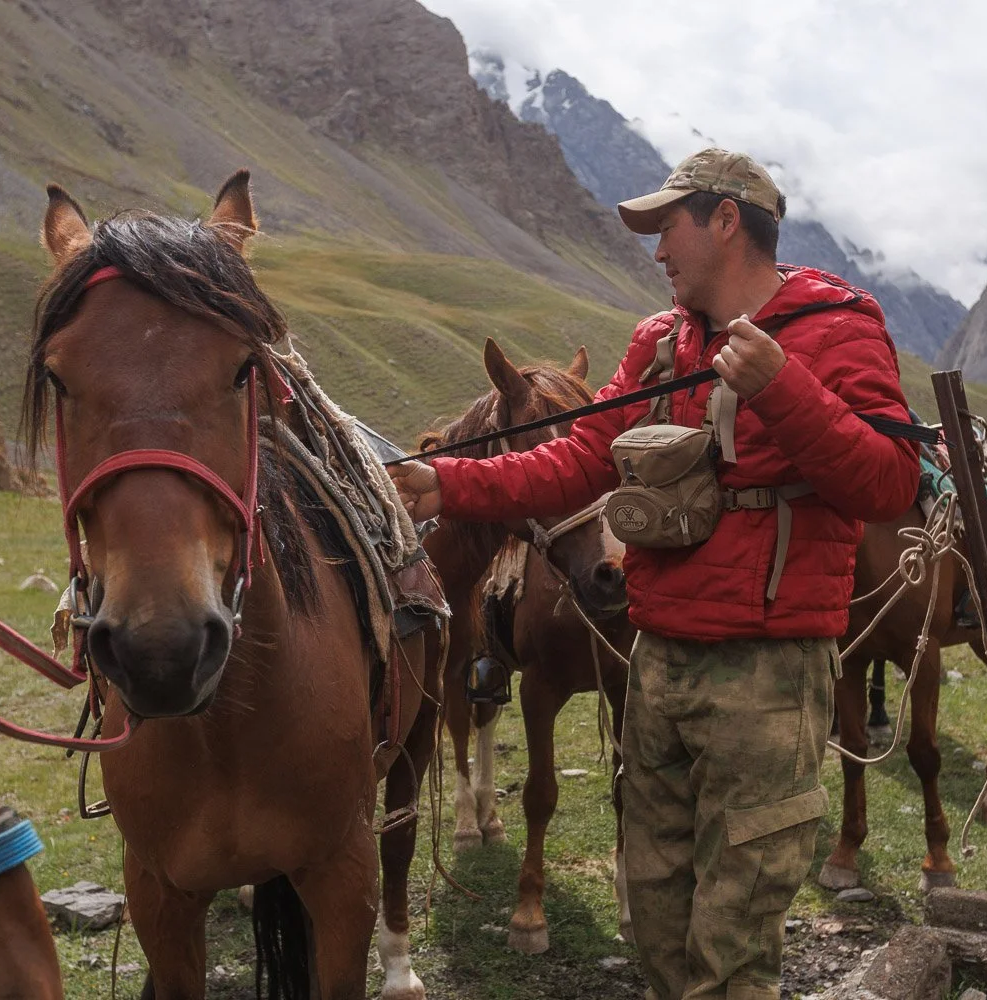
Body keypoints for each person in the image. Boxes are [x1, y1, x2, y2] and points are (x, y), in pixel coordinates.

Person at [390, 148, 919, 999]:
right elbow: (579, 460)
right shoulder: (659, 344)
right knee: (657, 912)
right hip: (657, 661)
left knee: (735, 934)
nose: (655, 251)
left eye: (665, 227)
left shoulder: (837, 328)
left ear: (724, 221)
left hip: (771, 673)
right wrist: (447, 480)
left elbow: (890, 482)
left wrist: (781, 386)